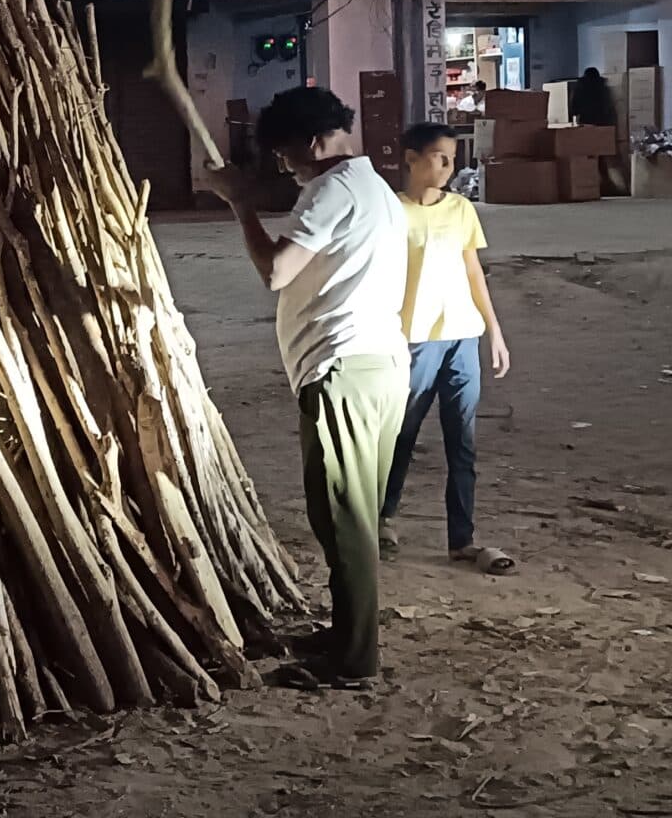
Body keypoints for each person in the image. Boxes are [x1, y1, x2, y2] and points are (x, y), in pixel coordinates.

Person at [200, 86, 410, 687]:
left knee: (343, 518)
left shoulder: (333, 189)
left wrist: (241, 204)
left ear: (315, 143)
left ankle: (353, 662)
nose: (286, 170)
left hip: (342, 369)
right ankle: (349, 633)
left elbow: (277, 271)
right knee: (353, 515)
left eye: (288, 157)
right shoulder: (375, 189)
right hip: (379, 365)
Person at [381, 124, 514, 575]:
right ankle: (384, 516)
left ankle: (463, 538)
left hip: (462, 337)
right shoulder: (392, 212)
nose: (446, 167)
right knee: (403, 433)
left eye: (451, 159)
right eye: (437, 157)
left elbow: (473, 272)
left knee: (463, 441)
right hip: (415, 338)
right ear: (410, 158)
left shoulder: (461, 210)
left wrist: (493, 329)